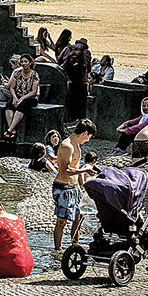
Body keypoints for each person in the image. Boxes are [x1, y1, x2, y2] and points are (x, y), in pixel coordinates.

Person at [53, 118, 97, 251]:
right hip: (63, 187)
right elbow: (64, 170)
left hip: (75, 187)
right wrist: (85, 169)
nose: (88, 140)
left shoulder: (77, 145)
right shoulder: (67, 146)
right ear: (84, 133)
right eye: (89, 137)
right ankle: (58, 249)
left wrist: (81, 187)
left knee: (79, 217)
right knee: (62, 221)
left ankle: (74, 246)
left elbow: (75, 168)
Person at [2, 55, 40, 140]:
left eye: (25, 61)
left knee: (21, 106)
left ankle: (9, 130)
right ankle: (12, 130)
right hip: (18, 95)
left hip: (30, 97)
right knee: (9, 105)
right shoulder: (17, 73)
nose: (23, 63)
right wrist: (15, 98)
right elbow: (12, 87)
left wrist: (22, 98)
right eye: (22, 62)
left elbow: (33, 91)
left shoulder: (35, 75)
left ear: (30, 63)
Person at [61, 38, 92, 119]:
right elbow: (86, 65)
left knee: (68, 98)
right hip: (78, 78)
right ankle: (77, 117)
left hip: (66, 76)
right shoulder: (85, 51)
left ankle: (68, 117)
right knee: (78, 99)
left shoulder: (67, 48)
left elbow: (59, 60)